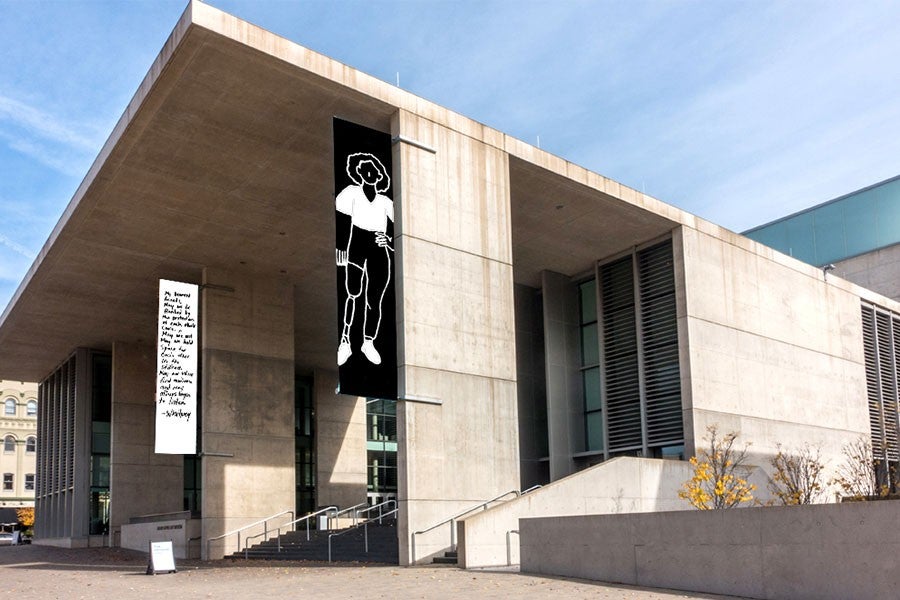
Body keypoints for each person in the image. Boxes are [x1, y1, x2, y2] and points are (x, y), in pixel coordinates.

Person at [335, 152, 394, 366]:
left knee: (375, 299)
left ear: (379, 176)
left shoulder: (386, 202)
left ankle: (368, 341)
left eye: (373, 170)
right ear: (358, 173)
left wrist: (388, 240)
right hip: (357, 242)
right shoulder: (351, 193)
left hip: (378, 248)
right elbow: (342, 221)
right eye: (364, 169)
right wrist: (341, 247)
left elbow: (401, 230)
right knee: (352, 292)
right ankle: (345, 339)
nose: (369, 173)